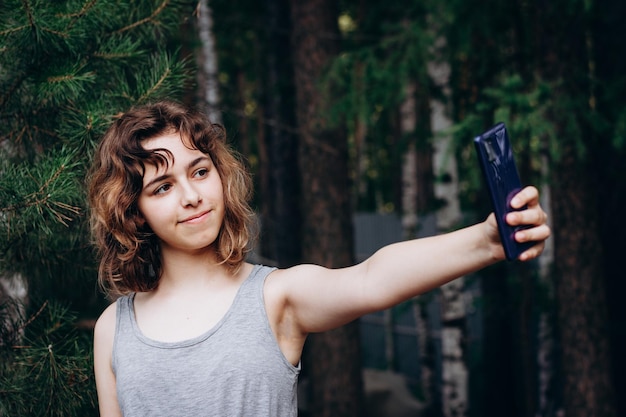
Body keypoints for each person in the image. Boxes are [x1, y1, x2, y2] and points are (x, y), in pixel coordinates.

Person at [89, 101, 551, 417]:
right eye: (163, 187)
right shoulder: (115, 328)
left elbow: (373, 278)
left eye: (200, 171)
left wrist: (487, 240)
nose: (191, 196)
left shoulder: (274, 298)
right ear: (135, 211)